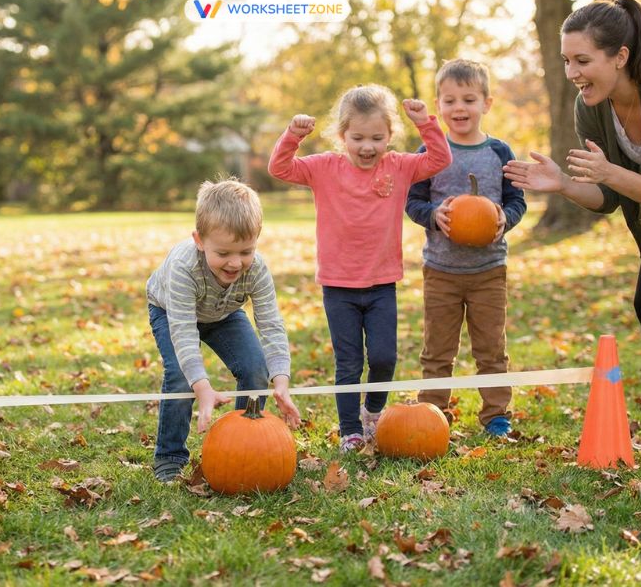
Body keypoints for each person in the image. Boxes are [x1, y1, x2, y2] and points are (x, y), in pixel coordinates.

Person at [268, 84, 452, 452]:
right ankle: (350, 428)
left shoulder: (398, 166)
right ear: (342, 136)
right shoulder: (324, 167)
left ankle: (373, 411)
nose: (368, 147)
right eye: (358, 138)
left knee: (384, 358)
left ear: (390, 136)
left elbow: (439, 160)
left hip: (382, 283)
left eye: (377, 138)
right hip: (339, 286)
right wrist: (293, 135)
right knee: (349, 363)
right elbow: (279, 168)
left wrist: (425, 123)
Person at [503, 0, 641, 383]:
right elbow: (608, 199)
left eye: (582, 60)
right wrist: (562, 184)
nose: (571, 72)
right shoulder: (590, 105)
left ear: (620, 57)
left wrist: (609, 172)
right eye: (566, 61)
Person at [146, 178, 301, 483]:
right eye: (224, 253)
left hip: (224, 313)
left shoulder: (256, 268)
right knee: (180, 375)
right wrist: (202, 388)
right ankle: (170, 456)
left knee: (256, 369)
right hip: (171, 311)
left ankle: (247, 445)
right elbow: (183, 331)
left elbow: (270, 323)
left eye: (245, 251)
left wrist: (280, 379)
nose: (235, 263)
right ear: (199, 241)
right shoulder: (183, 268)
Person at [406, 59, 527, 437]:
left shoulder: (499, 151)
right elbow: (413, 200)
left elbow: (516, 200)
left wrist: (505, 219)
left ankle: (496, 416)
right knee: (437, 349)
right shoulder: (429, 150)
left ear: (486, 104)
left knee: (491, 348)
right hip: (441, 269)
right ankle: (434, 411)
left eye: (469, 99)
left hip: (488, 270)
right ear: (439, 105)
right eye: (450, 100)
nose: (459, 108)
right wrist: (432, 215)